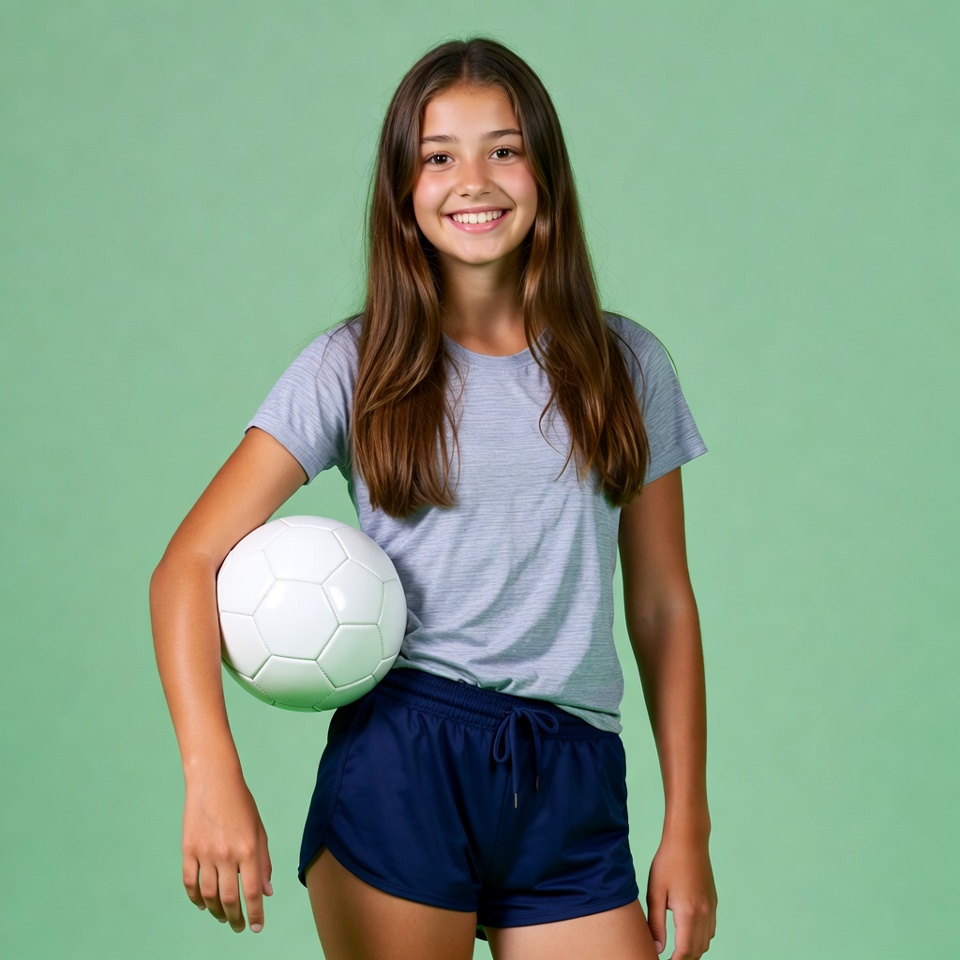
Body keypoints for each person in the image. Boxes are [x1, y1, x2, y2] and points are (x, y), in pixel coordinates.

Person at [150, 36, 717, 960]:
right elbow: (187, 566)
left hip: (572, 773)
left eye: (504, 148)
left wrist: (686, 825)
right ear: (403, 192)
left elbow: (661, 604)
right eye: (439, 156)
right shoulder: (355, 365)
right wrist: (212, 774)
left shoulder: (628, 366)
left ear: (546, 171)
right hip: (406, 761)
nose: (474, 180)